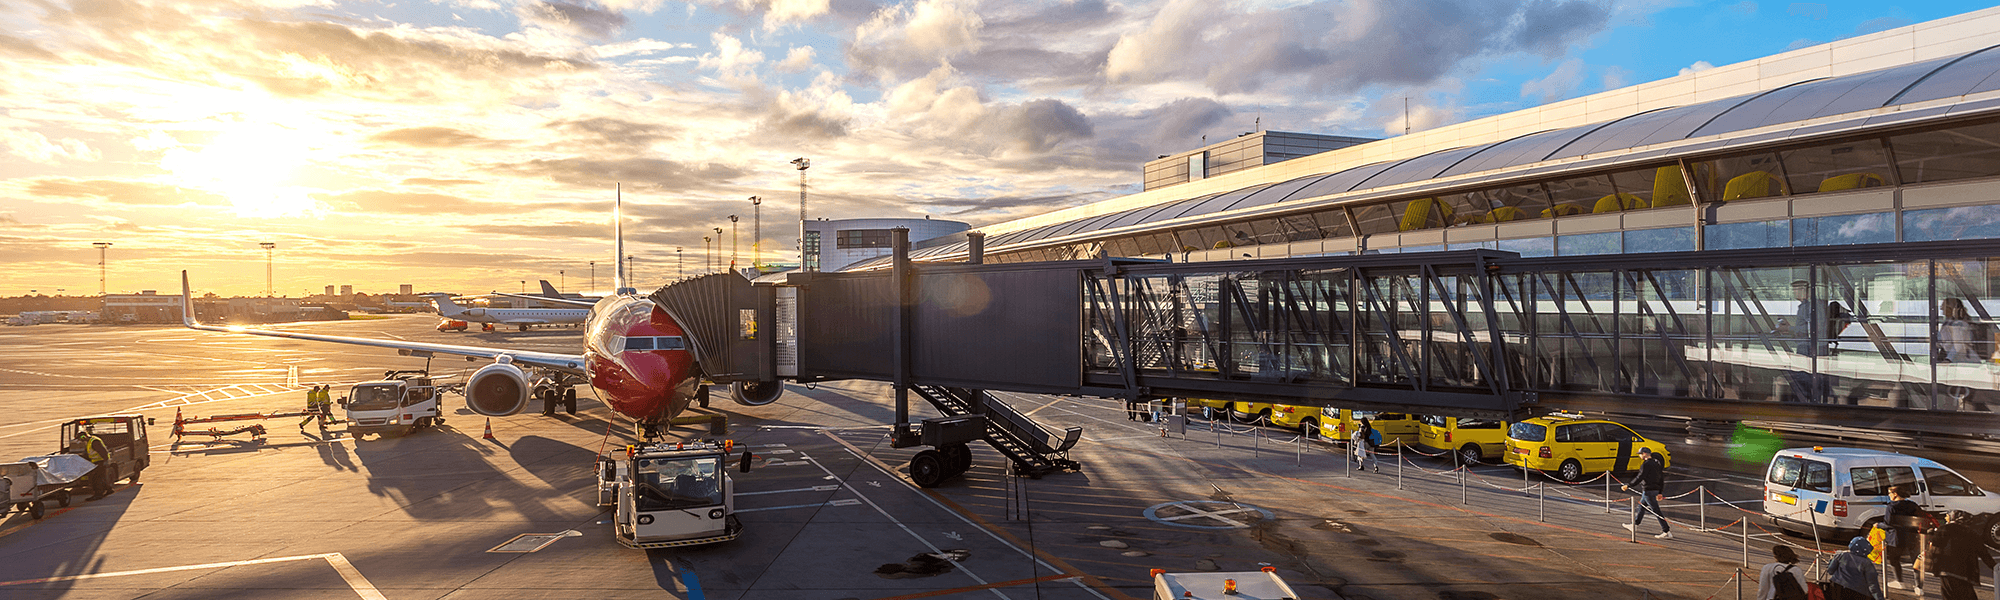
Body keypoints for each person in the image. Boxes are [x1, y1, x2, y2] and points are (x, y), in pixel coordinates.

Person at [1930, 510, 1994, 600]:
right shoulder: (1972, 534)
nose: (1945, 518)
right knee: (1968, 596)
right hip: (1966, 573)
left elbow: (1934, 546)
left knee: (1949, 596)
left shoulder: (1943, 529)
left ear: (1953, 518)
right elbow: (1984, 554)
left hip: (1946, 570)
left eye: (1947, 516)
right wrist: (1994, 566)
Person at [1884, 484, 1928, 590]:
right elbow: (1920, 517)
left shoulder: (1892, 507)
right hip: (1912, 536)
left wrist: (1878, 525)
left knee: (1894, 560)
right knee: (1916, 561)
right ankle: (1919, 587)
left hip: (1896, 538)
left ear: (1895, 494)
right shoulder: (1912, 505)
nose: (1889, 495)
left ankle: (1899, 582)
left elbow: (1888, 524)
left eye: (1890, 493)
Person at [1622, 447, 1672, 539]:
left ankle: (1666, 531)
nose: (1639, 455)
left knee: (1656, 510)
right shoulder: (1657, 463)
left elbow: (1640, 477)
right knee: (1641, 506)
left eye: (1640, 454)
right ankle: (1635, 525)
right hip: (1655, 489)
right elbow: (1661, 478)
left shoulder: (1646, 464)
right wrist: (1660, 492)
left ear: (1645, 454)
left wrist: (1628, 485)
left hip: (1648, 490)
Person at [1826, 536, 1885, 600]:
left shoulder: (1842, 555)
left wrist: (1831, 561)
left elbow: (1830, 571)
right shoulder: (1867, 563)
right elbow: (1873, 585)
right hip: (1857, 593)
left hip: (1836, 588)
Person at [74, 429, 112, 501]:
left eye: (81, 440)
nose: (81, 442)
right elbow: (87, 454)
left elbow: (103, 452)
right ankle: (109, 489)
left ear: (83, 437)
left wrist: (105, 461)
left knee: (95, 479)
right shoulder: (89, 442)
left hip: (100, 462)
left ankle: (98, 495)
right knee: (100, 478)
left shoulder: (94, 442)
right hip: (95, 462)